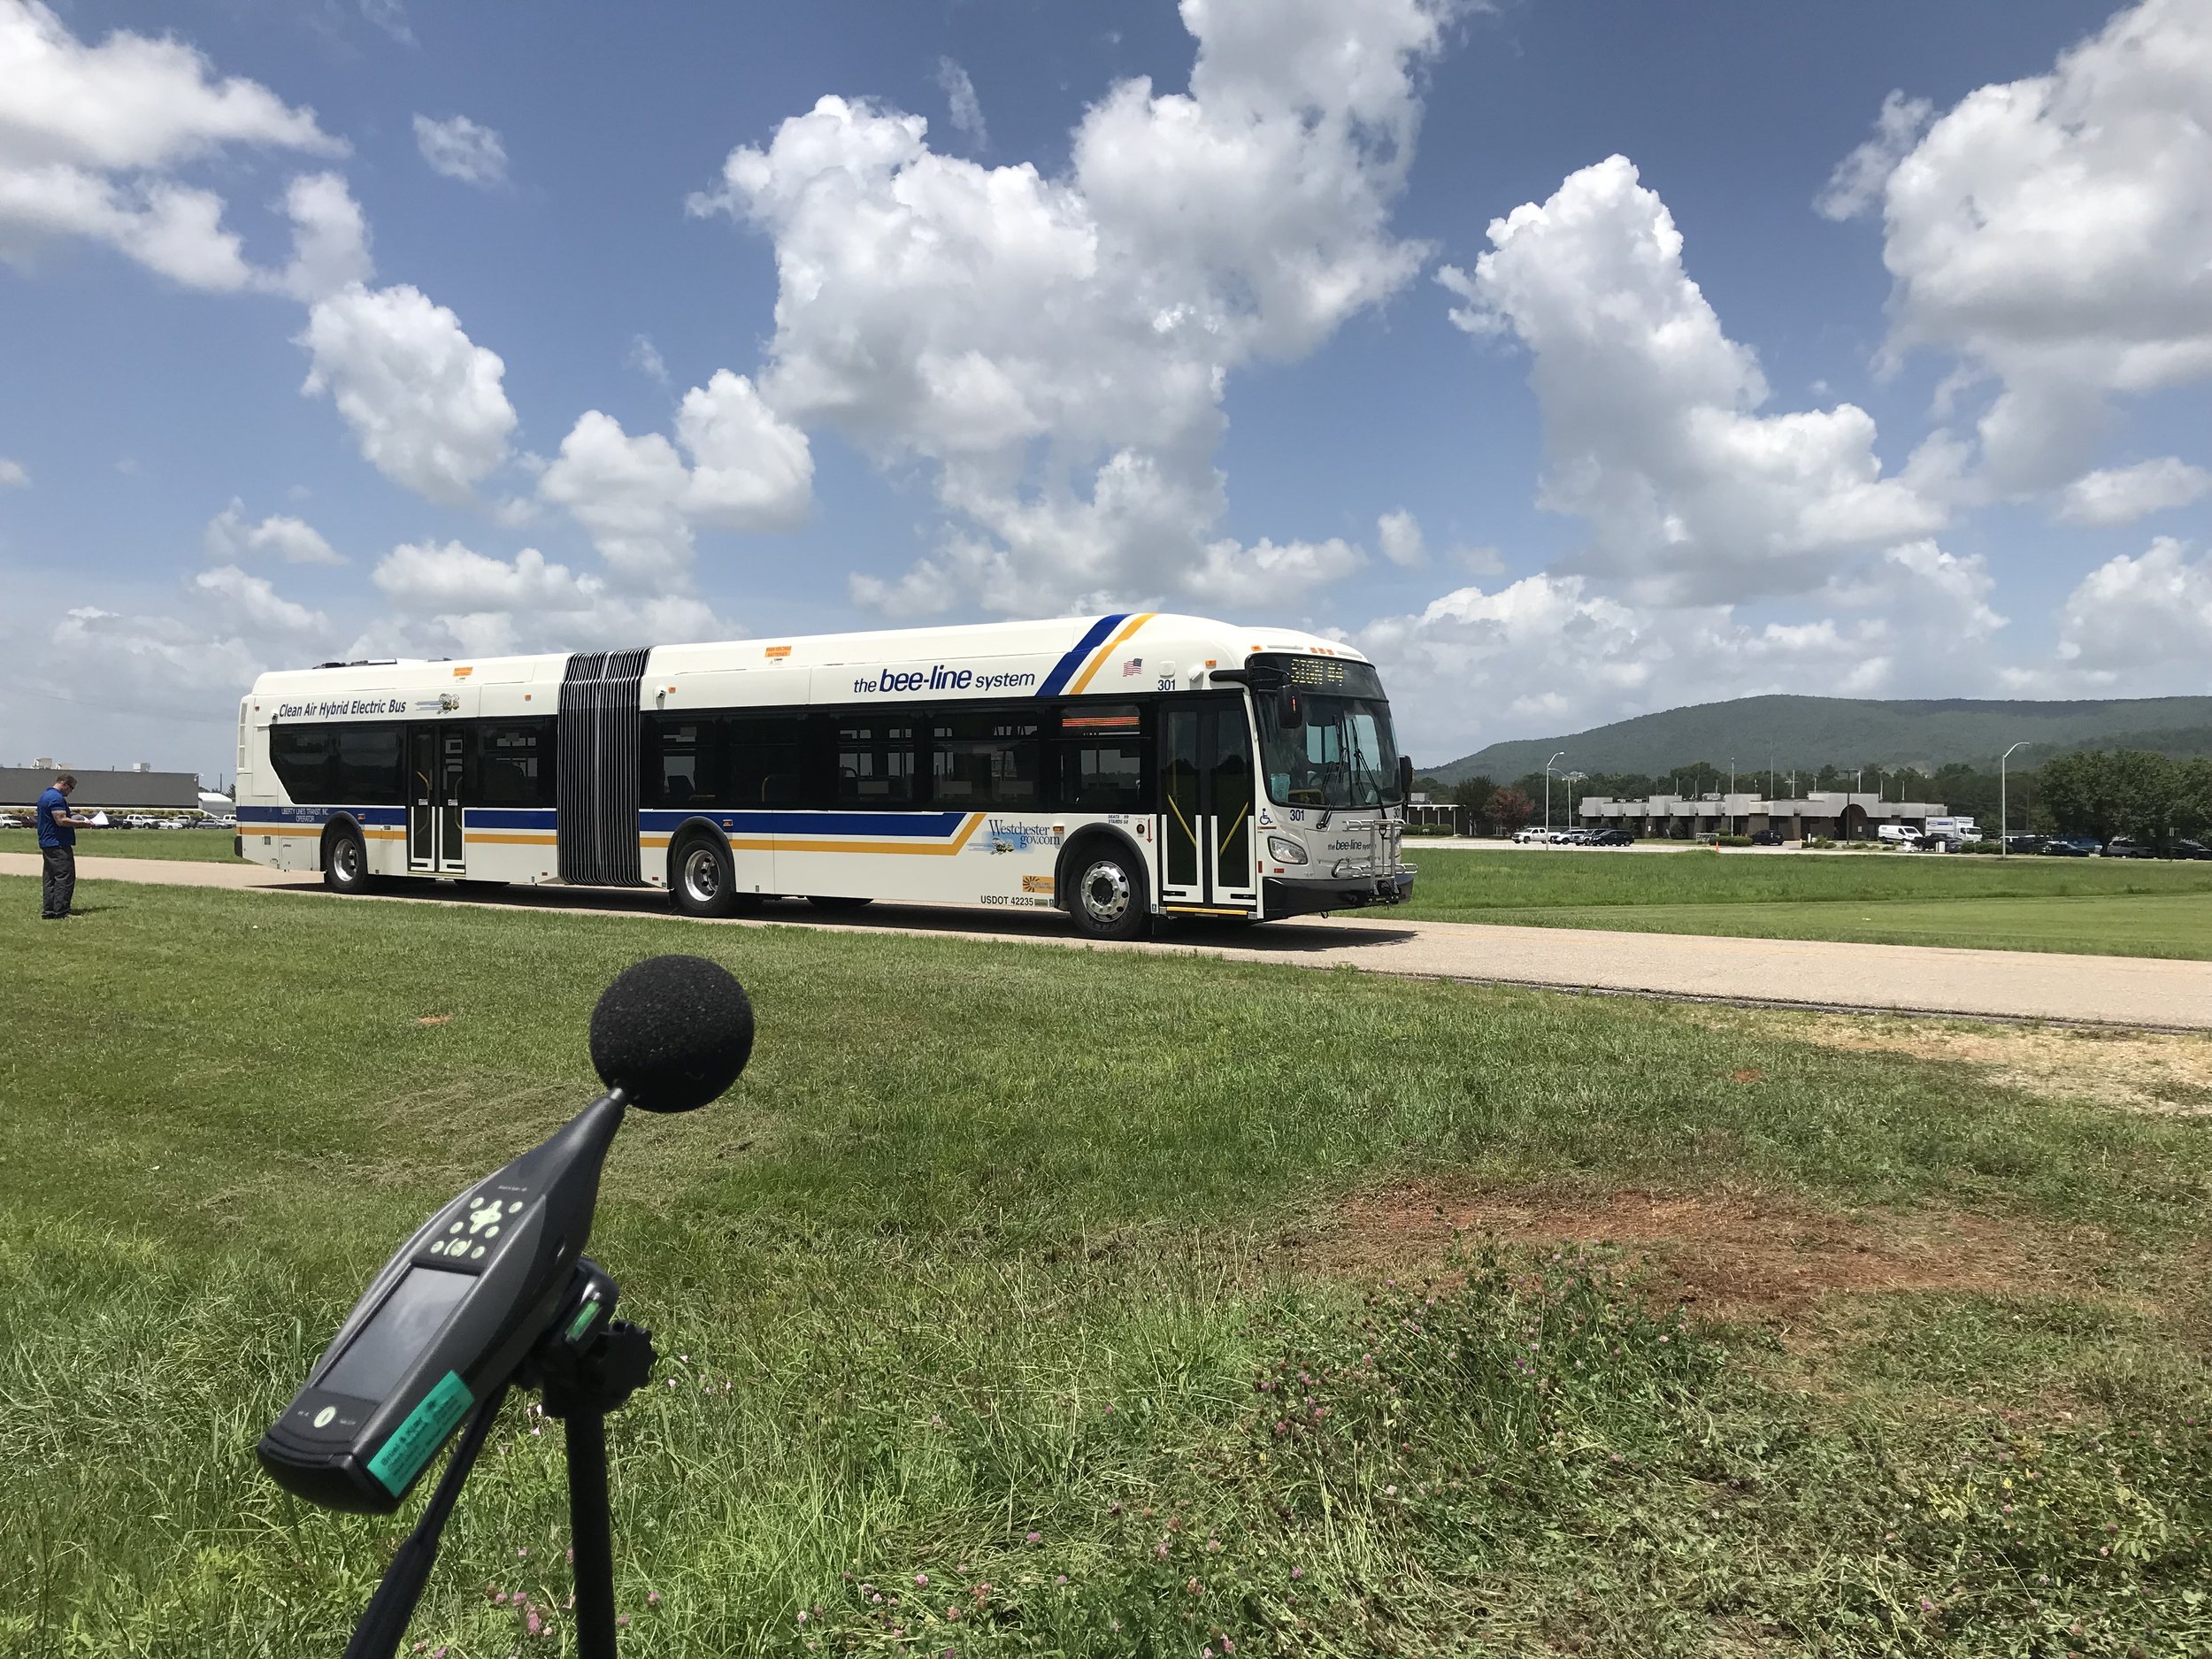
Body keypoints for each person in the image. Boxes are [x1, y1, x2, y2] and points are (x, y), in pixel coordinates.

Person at [36, 772, 90, 920]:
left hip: (47, 842)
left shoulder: (45, 796)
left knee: (50, 878)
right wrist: (82, 823)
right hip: (58, 843)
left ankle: (49, 911)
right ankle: (61, 912)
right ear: (64, 784)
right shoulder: (56, 798)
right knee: (65, 877)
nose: (70, 792)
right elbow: (61, 820)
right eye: (71, 788)